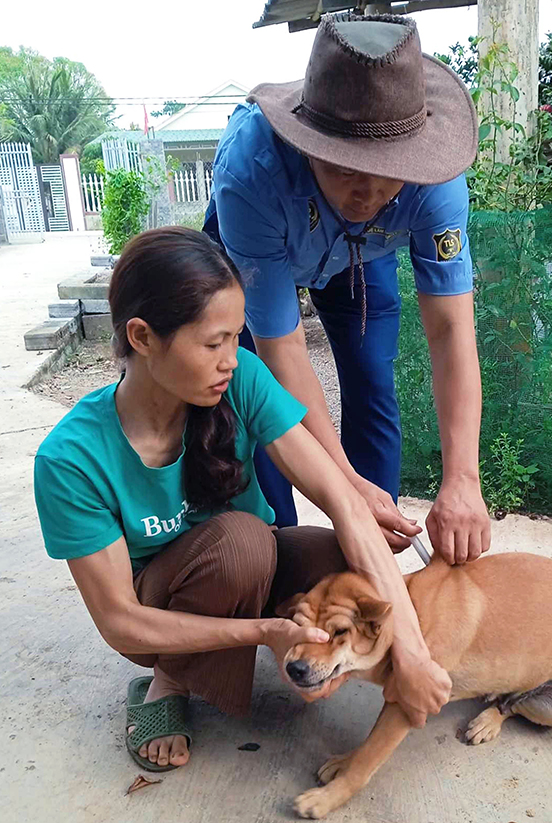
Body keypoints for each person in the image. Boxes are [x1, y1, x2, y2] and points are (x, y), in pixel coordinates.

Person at [33, 228, 451, 772]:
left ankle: (301, 654)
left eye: (236, 337)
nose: (232, 358)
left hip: (255, 566)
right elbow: (119, 621)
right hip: (162, 606)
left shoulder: (240, 379)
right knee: (241, 541)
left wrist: (412, 653)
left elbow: (341, 500)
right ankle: (168, 682)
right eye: (213, 343)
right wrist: (268, 632)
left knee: (349, 569)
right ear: (141, 336)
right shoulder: (71, 459)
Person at [204, 12, 491, 564]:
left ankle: (371, 558)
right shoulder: (251, 170)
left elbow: (451, 330)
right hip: (255, 257)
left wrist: (462, 479)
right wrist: (339, 484)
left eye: (387, 171)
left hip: (361, 260)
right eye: (344, 168)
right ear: (306, 144)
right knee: (251, 400)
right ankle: (275, 551)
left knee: (372, 381)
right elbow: (281, 348)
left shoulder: (435, 182)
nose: (367, 194)